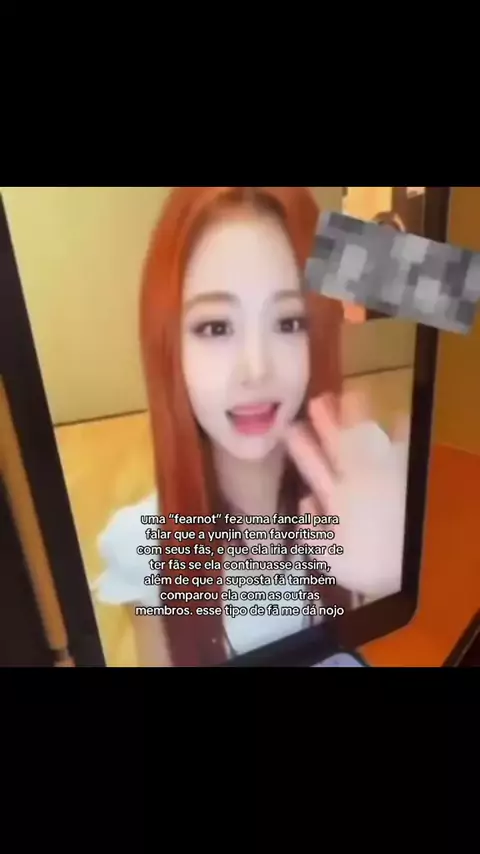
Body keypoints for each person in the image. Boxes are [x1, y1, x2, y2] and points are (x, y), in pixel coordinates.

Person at [93, 187, 408, 667]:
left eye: (289, 322)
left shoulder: (360, 485)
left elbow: (457, 286)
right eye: (216, 327)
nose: (256, 371)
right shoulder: (145, 546)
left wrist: (399, 581)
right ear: (169, 345)